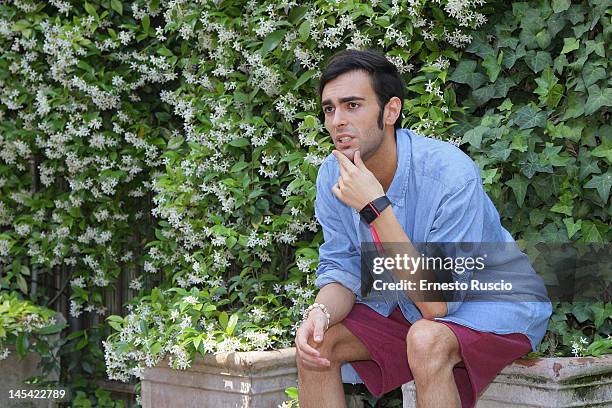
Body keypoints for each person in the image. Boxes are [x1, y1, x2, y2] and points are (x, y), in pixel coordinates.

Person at [294, 49, 552, 408]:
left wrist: (375, 207)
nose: (337, 120)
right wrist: (316, 315)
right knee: (315, 344)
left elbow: (437, 304)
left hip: (491, 300)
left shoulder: (449, 173)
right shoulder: (331, 175)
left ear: (391, 110)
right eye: (329, 108)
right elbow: (344, 269)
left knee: (426, 338)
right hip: (409, 305)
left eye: (352, 105)